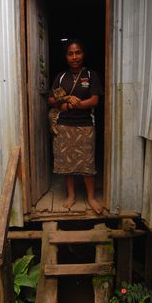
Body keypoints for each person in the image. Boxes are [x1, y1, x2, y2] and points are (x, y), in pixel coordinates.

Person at [48, 39, 103, 214]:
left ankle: (91, 197)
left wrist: (71, 104)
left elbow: (94, 100)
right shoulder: (61, 77)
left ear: (83, 54)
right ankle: (71, 195)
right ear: (66, 57)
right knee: (67, 164)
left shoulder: (90, 75)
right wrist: (64, 99)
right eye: (70, 53)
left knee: (87, 163)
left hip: (85, 125)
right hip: (64, 125)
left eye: (78, 52)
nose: (74, 57)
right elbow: (51, 100)